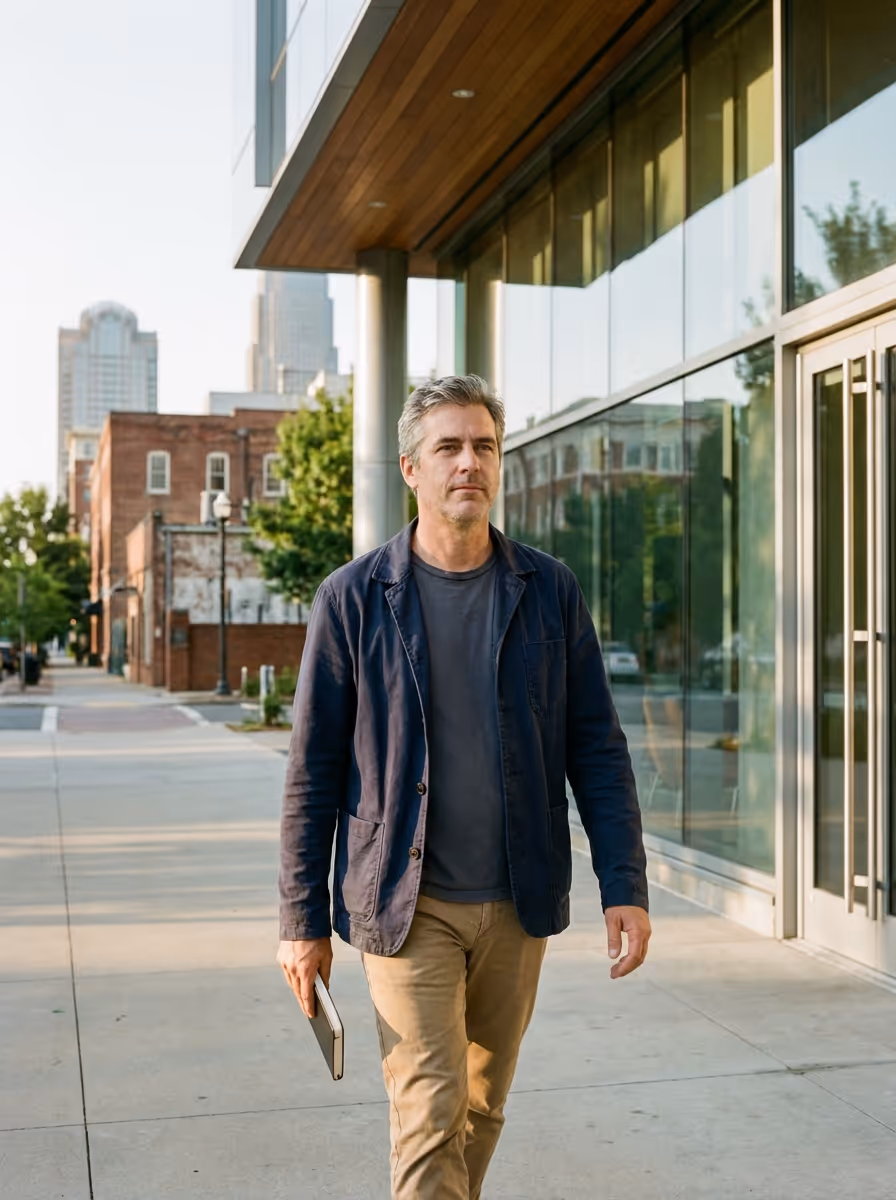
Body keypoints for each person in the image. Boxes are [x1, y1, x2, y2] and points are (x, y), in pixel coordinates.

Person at [277, 374, 651, 1199]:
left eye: (483, 445)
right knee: (429, 1113)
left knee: (481, 1108)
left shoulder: (549, 590)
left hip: (518, 900)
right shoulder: (351, 600)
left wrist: (625, 881)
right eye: (448, 446)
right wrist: (301, 922)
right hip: (406, 904)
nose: (468, 462)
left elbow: (596, 746)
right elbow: (312, 773)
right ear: (412, 468)